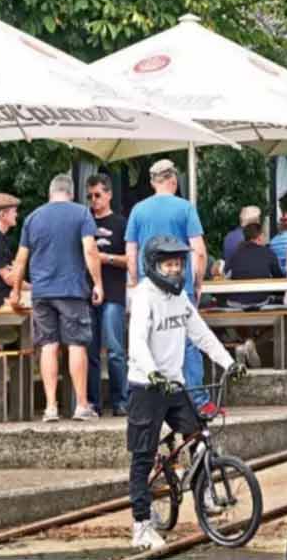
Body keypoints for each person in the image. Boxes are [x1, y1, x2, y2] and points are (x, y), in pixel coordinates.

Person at [126, 236, 245, 551]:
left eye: (179, 264)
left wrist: (230, 363)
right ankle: (141, 526)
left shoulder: (180, 298)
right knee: (141, 456)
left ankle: (205, 492)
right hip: (146, 386)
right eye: (169, 264)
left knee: (199, 436)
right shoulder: (144, 296)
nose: (175, 269)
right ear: (154, 265)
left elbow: (202, 335)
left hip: (174, 385)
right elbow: (136, 341)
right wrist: (152, 372)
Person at [9, 174, 104, 423]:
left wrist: (16, 291)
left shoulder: (33, 218)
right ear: (70, 192)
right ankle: (81, 405)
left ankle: (51, 407)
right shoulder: (81, 214)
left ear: (50, 193)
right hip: (71, 290)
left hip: (41, 292)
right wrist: (98, 284)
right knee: (76, 345)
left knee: (48, 345)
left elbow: (20, 260)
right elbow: (90, 250)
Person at [125, 159, 215, 415]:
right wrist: (197, 283)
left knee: (147, 341)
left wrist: (135, 281)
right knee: (188, 341)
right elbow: (198, 251)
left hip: (147, 287)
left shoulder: (138, 211)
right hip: (179, 285)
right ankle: (197, 401)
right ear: (174, 181)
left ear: (153, 182)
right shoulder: (185, 208)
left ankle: (156, 397)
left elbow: (131, 252)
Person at [86, 174, 130, 416]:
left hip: (113, 292)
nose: (94, 201)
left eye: (98, 195)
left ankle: (120, 401)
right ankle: (93, 402)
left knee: (115, 350)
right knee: (90, 350)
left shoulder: (121, 223)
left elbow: (130, 260)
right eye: (90, 196)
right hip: (87, 292)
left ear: (109, 194)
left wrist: (106, 258)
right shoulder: (84, 222)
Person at [224, 223, 286, 306]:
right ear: (259, 237)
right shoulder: (268, 253)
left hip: (235, 301)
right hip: (260, 301)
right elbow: (279, 279)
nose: (265, 238)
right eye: (264, 235)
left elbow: (226, 275)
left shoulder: (235, 254)